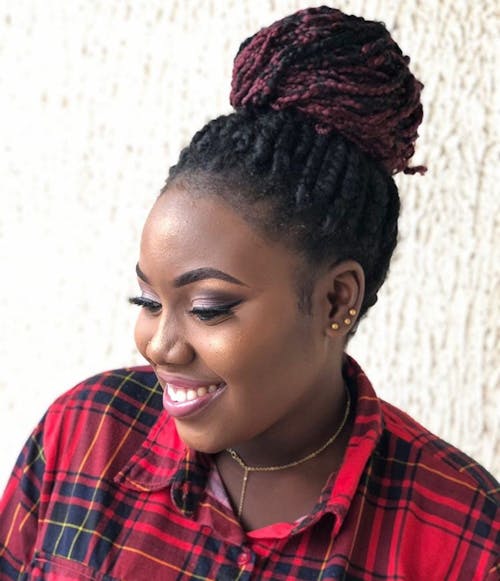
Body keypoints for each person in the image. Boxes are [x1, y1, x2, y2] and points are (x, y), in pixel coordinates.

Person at [0, 6, 498, 580]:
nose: (160, 346)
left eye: (209, 309)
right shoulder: (83, 436)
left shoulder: (466, 538)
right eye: (148, 301)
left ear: (337, 301)